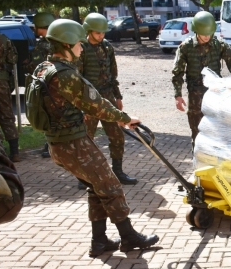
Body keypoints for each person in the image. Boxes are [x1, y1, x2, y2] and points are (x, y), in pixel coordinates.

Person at [33, 19, 158, 257]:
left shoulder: (44, 67)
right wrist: (125, 118)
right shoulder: (66, 75)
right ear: (67, 44)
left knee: (95, 186)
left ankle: (99, 241)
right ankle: (129, 237)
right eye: (78, 43)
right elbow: (96, 104)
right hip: (73, 144)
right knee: (110, 185)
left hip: (60, 142)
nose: (81, 48)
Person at [79, 13, 137, 186]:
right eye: (97, 32)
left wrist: (118, 96)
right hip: (89, 99)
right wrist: (80, 106)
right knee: (86, 139)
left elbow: (113, 74)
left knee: (117, 136)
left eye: (103, 32)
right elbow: (77, 77)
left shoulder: (107, 47)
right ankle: (84, 176)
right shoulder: (81, 48)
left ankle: (118, 172)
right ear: (88, 31)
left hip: (108, 97)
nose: (101, 35)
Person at [172, 11, 231, 146]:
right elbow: (177, 72)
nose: (207, 37)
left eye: (209, 33)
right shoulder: (186, 47)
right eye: (203, 34)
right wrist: (178, 95)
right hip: (195, 96)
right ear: (196, 31)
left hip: (215, 94)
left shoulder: (219, 45)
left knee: (217, 131)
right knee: (197, 132)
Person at [24, 12, 56, 158]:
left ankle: (49, 145)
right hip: (54, 84)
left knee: (47, 115)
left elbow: (37, 66)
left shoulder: (43, 44)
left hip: (45, 85)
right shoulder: (56, 41)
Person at [0, 30, 19, 162]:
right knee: (7, 115)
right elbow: (13, 59)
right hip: (2, 81)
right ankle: (15, 152)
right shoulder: (4, 39)